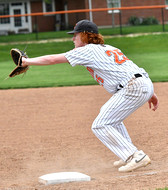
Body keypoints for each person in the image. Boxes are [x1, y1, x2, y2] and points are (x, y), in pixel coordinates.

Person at [21, 20, 159, 172]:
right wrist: (149, 92)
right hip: (141, 83)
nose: (73, 39)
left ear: (85, 35)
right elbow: (129, 68)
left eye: (76, 35)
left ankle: (135, 155)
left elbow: (52, 59)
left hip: (133, 86)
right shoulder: (108, 48)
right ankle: (126, 153)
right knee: (109, 116)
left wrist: (26, 61)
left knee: (100, 124)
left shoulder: (87, 50)